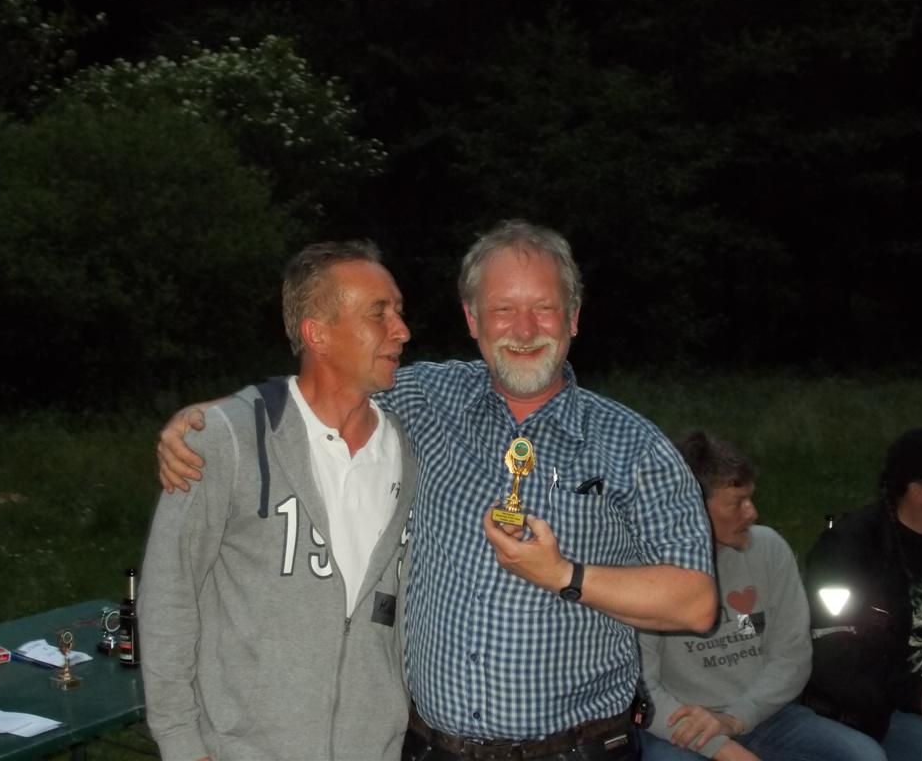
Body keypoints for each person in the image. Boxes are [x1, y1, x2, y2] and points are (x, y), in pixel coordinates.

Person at [158, 220, 718, 761]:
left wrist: (564, 575)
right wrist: (213, 418)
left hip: (577, 751)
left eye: (544, 308)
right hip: (430, 748)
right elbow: (325, 385)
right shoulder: (428, 399)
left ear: (573, 317)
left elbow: (696, 604)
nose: (525, 330)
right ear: (473, 319)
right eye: (503, 309)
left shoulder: (634, 446)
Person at [138, 241, 416, 761]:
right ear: (317, 333)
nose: (401, 330)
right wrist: (181, 743)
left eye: (398, 311)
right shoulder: (226, 441)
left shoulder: (407, 448)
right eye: (379, 313)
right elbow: (168, 596)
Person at [638, 432, 886, 761]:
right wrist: (720, 747)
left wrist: (736, 718)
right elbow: (641, 688)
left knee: (864, 756)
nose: (752, 512)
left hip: (764, 716)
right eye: (736, 503)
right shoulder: (646, 571)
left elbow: (792, 656)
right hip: (679, 725)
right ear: (692, 508)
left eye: (750, 498)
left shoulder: (768, 549)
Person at [804, 427, 922, 759]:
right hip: (880, 711)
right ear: (918, 490)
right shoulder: (849, 549)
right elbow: (834, 652)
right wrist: (918, 694)